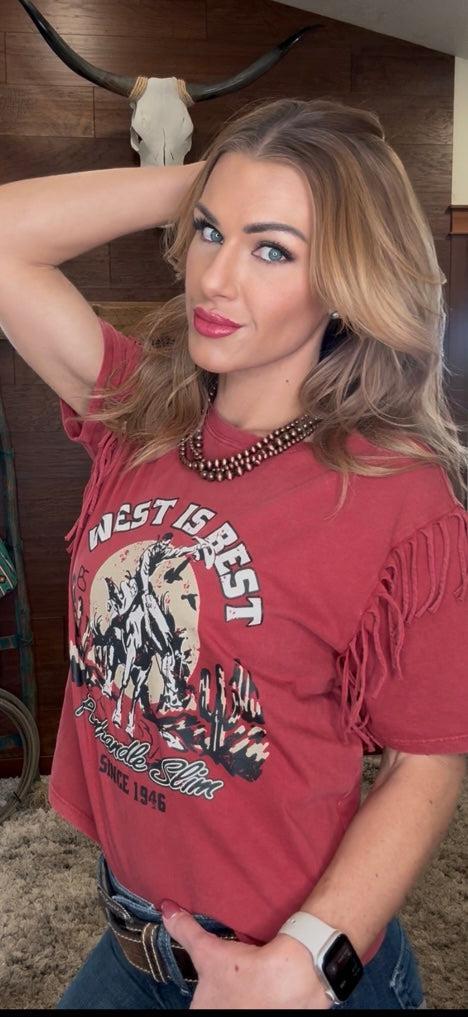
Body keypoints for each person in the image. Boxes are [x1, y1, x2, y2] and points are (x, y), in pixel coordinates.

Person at [0, 97, 466, 1011]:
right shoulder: (136, 415)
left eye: (273, 249)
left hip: (292, 969)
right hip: (133, 943)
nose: (215, 279)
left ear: (343, 278)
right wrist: (208, 176)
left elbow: (430, 760)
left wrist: (308, 961)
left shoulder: (398, 500)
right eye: (210, 232)